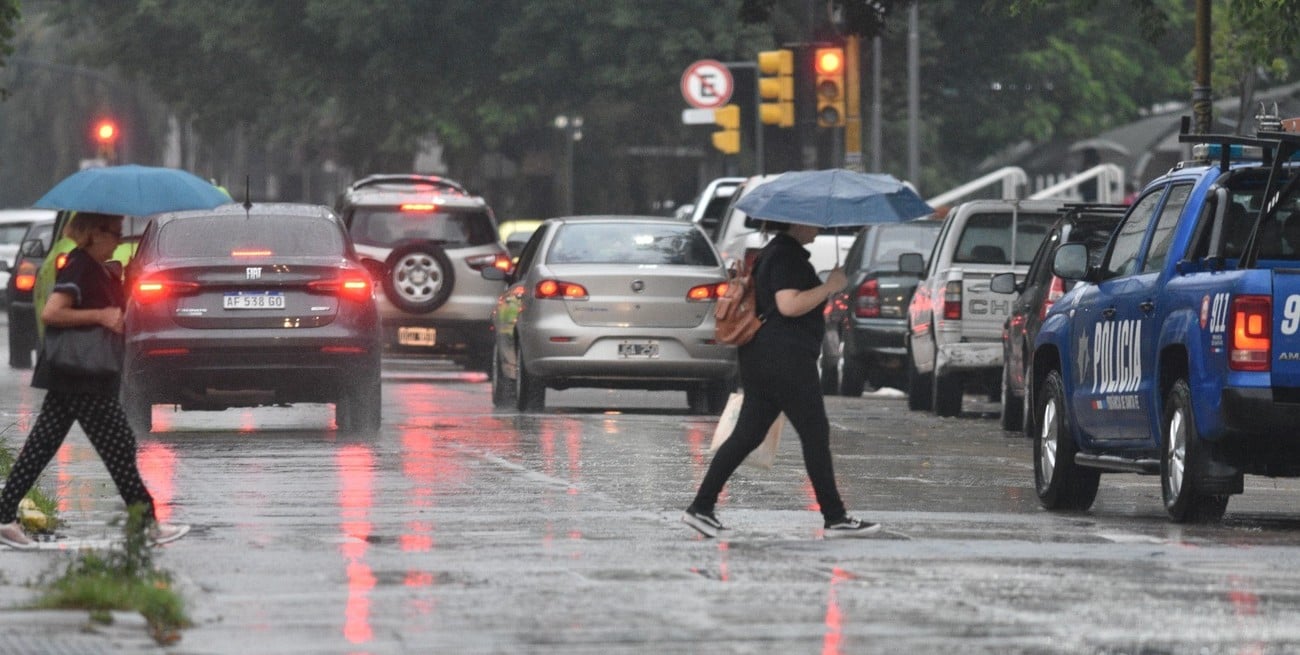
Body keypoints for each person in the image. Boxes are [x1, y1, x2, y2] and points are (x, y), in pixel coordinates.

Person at [0, 212, 188, 549]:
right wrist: (100, 315)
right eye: (114, 233)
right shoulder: (79, 266)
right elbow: (52, 311)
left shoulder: (96, 267)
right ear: (92, 234)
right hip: (82, 373)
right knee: (119, 446)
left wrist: (122, 280)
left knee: (44, 446)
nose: (118, 240)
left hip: (78, 373)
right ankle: (146, 525)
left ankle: (3, 516)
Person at [683, 220, 880, 539]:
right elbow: (789, 305)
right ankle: (835, 516)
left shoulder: (776, 254)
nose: (818, 227)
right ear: (795, 223)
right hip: (785, 360)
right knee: (815, 433)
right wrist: (829, 287)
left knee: (747, 434)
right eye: (812, 222)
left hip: (764, 358)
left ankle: (701, 507)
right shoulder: (785, 257)